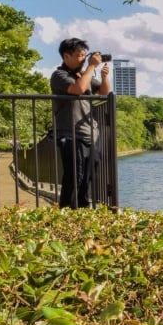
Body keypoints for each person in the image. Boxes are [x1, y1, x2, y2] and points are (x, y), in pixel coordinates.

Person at [50, 38, 111, 208]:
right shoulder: (59, 75)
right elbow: (77, 89)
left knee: (89, 176)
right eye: (79, 55)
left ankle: (84, 212)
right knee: (73, 176)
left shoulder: (82, 75)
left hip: (90, 134)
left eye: (85, 55)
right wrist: (91, 67)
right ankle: (66, 214)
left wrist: (104, 77)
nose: (83, 59)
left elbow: (104, 93)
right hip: (70, 134)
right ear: (66, 56)